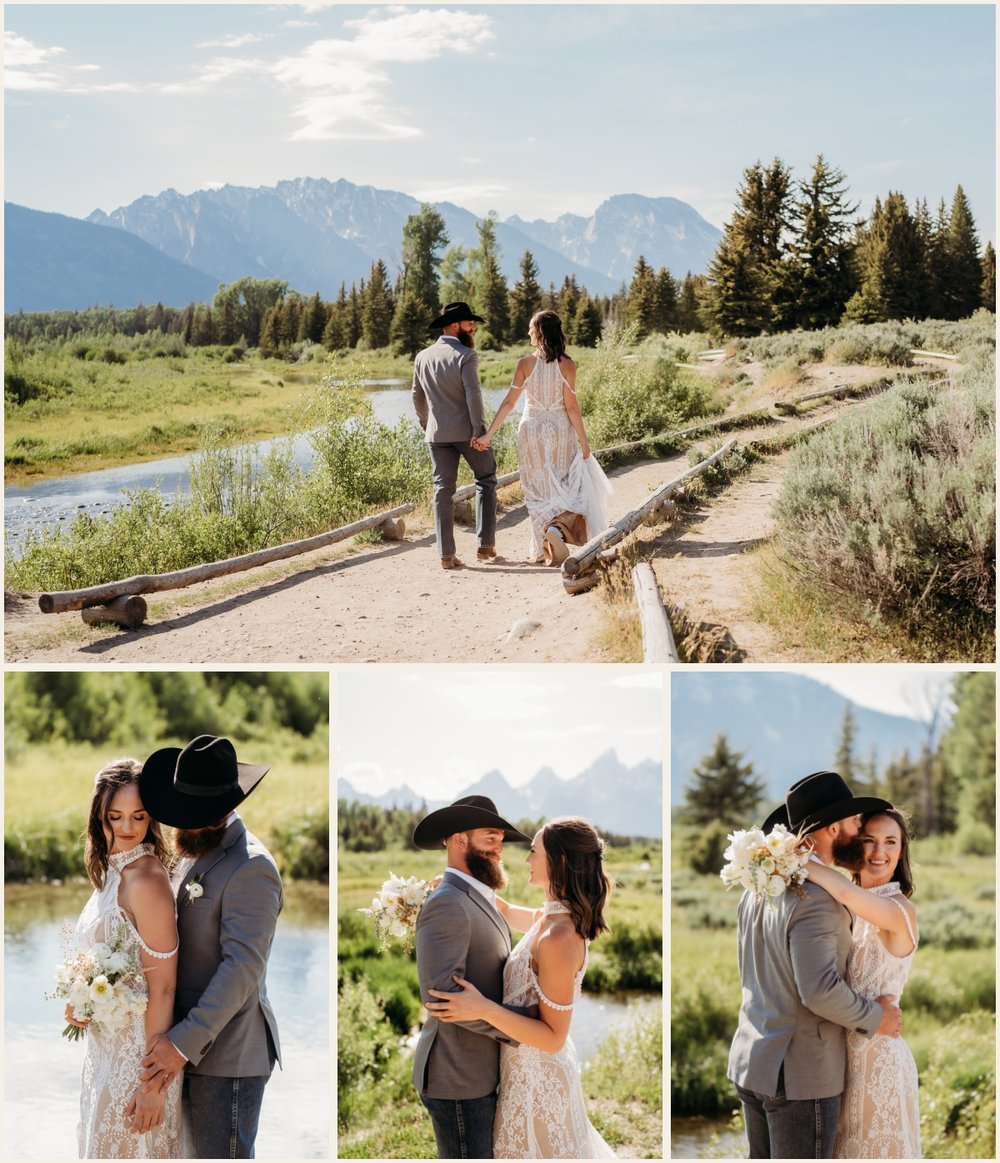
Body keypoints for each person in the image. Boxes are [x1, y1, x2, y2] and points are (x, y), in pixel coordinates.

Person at [727, 771, 903, 1159]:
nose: (861, 830)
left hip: (752, 1063)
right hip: (800, 1076)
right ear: (834, 827)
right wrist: (878, 1017)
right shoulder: (816, 900)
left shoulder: (757, 888)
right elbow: (820, 990)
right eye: (856, 823)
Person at [427, 816, 617, 1159]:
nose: (527, 859)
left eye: (534, 851)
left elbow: (553, 1036)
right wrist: (461, 889)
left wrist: (484, 1008)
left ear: (558, 862)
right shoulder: (550, 917)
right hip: (520, 1073)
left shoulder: (559, 937)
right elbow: (508, 909)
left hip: (539, 1081)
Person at [136, 734, 283, 1159]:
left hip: (229, 1060)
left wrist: (180, 1043)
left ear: (221, 812)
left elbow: (242, 969)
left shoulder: (252, 867)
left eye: (194, 814)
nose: (182, 822)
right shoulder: (194, 846)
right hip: (188, 1048)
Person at [71, 758, 182, 1158]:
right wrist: (80, 999)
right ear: (99, 815)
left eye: (139, 816)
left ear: (152, 818)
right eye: (114, 816)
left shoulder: (147, 878)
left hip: (137, 1062)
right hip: (103, 1053)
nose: (127, 828)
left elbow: (164, 985)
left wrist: (152, 1085)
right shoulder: (112, 871)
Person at [411, 795, 533, 1158]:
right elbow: (444, 999)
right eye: (490, 837)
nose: (499, 849)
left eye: (501, 839)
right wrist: (524, 1027)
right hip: (458, 1078)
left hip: (479, 1071)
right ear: (460, 839)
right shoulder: (448, 902)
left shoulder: (477, 896)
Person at [805, 808, 921, 1158]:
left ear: (901, 852)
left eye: (890, 842)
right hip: (835, 1062)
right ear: (855, 845)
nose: (878, 852)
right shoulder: (838, 905)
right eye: (868, 840)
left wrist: (788, 858)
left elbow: (848, 892)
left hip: (879, 1063)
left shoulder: (899, 910)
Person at [473, 310, 610, 564]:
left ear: (540, 333)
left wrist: (488, 434)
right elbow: (571, 408)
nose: (527, 333)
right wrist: (585, 441)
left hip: (532, 431)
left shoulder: (524, 364)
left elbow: (509, 403)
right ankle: (555, 532)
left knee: (536, 490)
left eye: (530, 329)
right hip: (560, 431)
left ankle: (541, 549)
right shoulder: (568, 365)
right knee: (566, 485)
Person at [412, 301, 499, 570]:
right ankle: (485, 547)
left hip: (436, 435)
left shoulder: (422, 356)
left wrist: (427, 423)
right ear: (454, 325)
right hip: (467, 433)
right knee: (486, 479)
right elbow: (473, 394)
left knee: (442, 491)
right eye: (468, 323)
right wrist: (478, 430)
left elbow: (417, 396)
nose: (473, 327)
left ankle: (445, 554)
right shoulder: (466, 356)